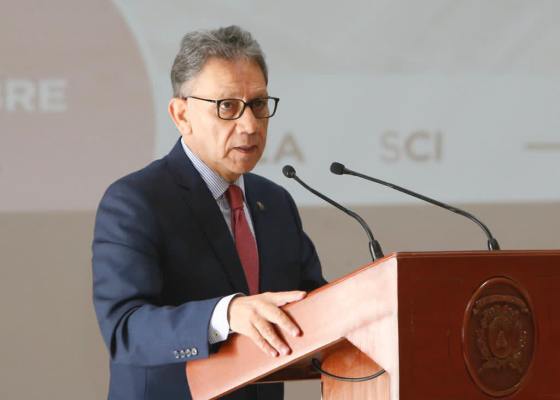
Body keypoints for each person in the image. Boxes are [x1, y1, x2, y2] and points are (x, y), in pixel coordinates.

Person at [92, 25, 326, 400]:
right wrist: (226, 315)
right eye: (227, 106)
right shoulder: (136, 201)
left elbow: (317, 306)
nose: (250, 125)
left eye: (259, 104)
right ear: (181, 114)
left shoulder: (275, 202)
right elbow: (126, 330)